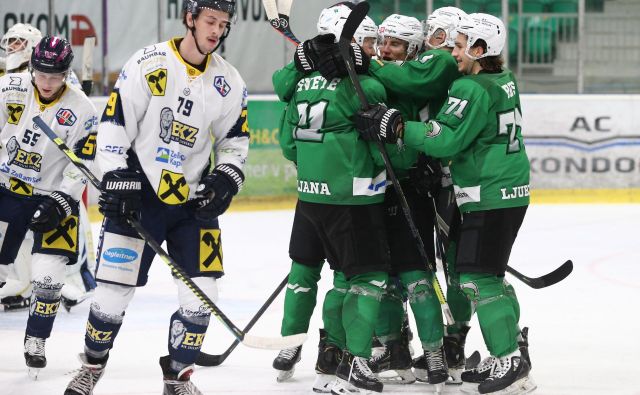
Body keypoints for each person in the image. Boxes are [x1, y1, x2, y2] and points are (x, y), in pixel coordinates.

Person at [63, 1, 248, 394]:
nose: (216, 30)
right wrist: (115, 178)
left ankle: (177, 375)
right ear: (190, 19)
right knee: (112, 295)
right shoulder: (149, 63)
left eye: (223, 24)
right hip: (138, 197)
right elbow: (114, 127)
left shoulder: (228, 81)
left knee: (203, 297)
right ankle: (92, 367)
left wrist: (226, 180)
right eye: (210, 21)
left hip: (192, 204)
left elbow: (235, 143)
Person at [355, 13, 536, 394]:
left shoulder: (473, 89)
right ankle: (513, 352)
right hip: (507, 191)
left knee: (477, 278)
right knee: (489, 277)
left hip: (489, 194)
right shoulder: (503, 80)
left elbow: (446, 140)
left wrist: (399, 127)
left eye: (458, 45)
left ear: (480, 49)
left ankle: (510, 360)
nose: (451, 53)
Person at [277, 3, 396, 393]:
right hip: (354, 199)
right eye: (362, 40)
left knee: (308, 272)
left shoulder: (300, 85)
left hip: (311, 197)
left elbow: (287, 145)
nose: (371, 47)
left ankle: (319, 357)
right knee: (363, 280)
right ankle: (355, 363)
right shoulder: (367, 86)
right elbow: (388, 150)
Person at [0, 35, 98, 378]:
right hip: (7, 188)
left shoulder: (82, 108)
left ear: (66, 73)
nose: (46, 83)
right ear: (32, 68)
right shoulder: (9, 88)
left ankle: (36, 340)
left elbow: (82, 162)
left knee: (48, 278)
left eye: (55, 77)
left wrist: (64, 197)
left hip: (52, 197)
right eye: (41, 74)